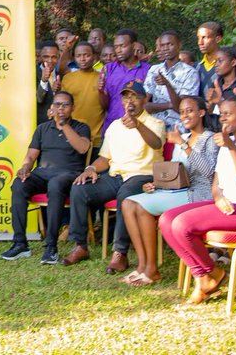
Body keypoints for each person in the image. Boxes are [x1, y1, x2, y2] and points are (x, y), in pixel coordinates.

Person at [160, 96, 236, 304]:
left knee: (182, 224)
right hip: (228, 206)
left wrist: (232, 147)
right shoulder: (226, 143)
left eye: (227, 114)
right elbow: (216, 181)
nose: (222, 118)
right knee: (167, 219)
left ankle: (207, 275)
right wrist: (218, 197)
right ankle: (208, 275)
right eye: (221, 114)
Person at [61, 80, 164, 274]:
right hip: (115, 175)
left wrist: (138, 125)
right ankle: (81, 245)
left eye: (134, 97)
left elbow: (157, 144)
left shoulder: (155, 123)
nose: (130, 101)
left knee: (125, 194)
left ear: (144, 100)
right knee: (80, 188)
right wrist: (90, 168)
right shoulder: (115, 126)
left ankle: (120, 252)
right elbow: (105, 158)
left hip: (142, 177)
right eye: (126, 97)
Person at [120, 96, 218, 285]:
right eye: (181, 112)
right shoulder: (185, 137)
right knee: (129, 203)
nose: (185, 115)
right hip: (179, 191)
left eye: (189, 110)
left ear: (202, 112)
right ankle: (143, 265)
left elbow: (208, 172)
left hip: (199, 194)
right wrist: (157, 184)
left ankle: (151, 270)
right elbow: (175, 172)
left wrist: (182, 144)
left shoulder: (210, 138)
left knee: (140, 207)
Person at [2, 91, 90, 264]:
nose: (61, 108)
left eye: (65, 105)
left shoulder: (81, 127)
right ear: (51, 107)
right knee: (19, 184)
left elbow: (82, 148)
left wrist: (63, 124)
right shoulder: (43, 128)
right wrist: (25, 167)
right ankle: (20, 243)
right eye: (57, 104)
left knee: (56, 185)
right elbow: (31, 156)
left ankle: (51, 247)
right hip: (42, 173)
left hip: (69, 174)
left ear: (73, 108)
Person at [143, 31, 200, 133]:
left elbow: (180, 108)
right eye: (163, 45)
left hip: (178, 130)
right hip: (154, 129)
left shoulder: (190, 73)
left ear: (179, 45)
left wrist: (168, 84)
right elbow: (144, 105)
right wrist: (170, 105)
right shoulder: (154, 70)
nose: (165, 48)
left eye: (170, 44)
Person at [99, 30, 150, 133]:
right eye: (116, 46)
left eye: (122, 46)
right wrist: (100, 91)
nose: (118, 50)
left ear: (134, 45)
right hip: (112, 128)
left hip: (138, 128)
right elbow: (105, 106)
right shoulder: (108, 69)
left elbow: (148, 103)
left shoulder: (148, 70)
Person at [59, 42, 104, 148]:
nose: (82, 59)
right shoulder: (68, 78)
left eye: (86, 55)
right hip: (71, 135)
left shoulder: (102, 78)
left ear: (94, 57)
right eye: (78, 56)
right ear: (74, 58)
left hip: (96, 137)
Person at [204, 47, 236, 125]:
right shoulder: (215, 84)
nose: (216, 65)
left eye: (220, 61)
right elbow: (210, 112)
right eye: (215, 62)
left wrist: (220, 101)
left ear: (233, 62)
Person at [35, 42, 60, 125]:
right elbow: (39, 99)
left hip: (59, 125)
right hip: (40, 125)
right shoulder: (31, 73)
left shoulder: (62, 75)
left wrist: (56, 92)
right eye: (46, 57)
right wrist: (44, 80)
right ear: (40, 56)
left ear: (58, 57)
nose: (50, 60)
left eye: (54, 57)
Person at [196, 21, 224, 94]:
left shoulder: (228, 65)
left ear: (218, 39)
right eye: (198, 38)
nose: (200, 42)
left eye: (204, 37)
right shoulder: (196, 67)